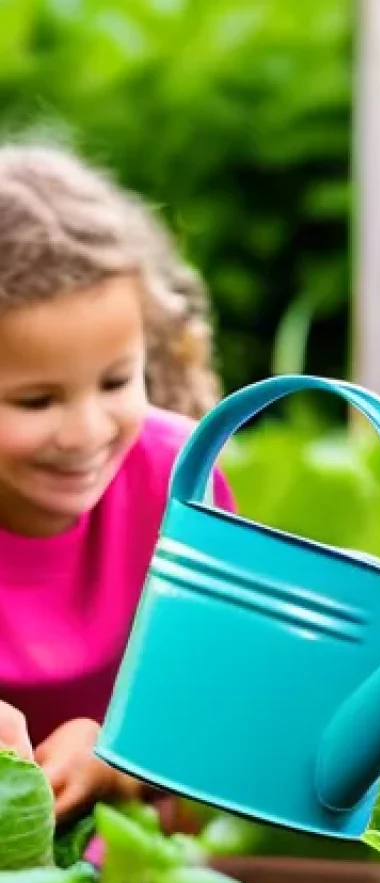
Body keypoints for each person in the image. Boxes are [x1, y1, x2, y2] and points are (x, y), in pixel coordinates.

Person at [0, 142, 233, 822]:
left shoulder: (175, 480)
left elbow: (212, 707)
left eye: (114, 381)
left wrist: (115, 756)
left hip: (121, 877)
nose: (85, 431)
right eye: (36, 402)